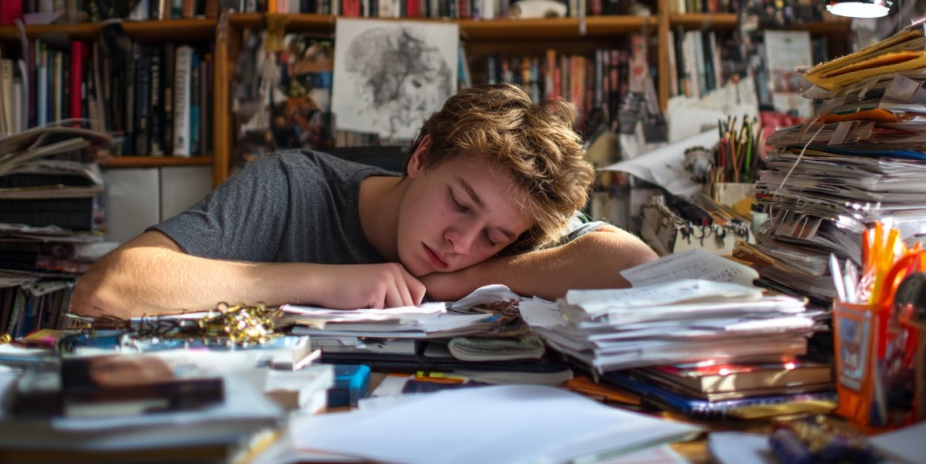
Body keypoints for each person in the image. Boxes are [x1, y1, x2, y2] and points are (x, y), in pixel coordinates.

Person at [70, 84, 657, 318]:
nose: (461, 243)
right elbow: (106, 288)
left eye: (493, 237)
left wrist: (455, 283)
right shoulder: (290, 185)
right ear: (422, 156)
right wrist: (324, 283)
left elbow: (636, 267)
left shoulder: (503, 228)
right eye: (459, 202)